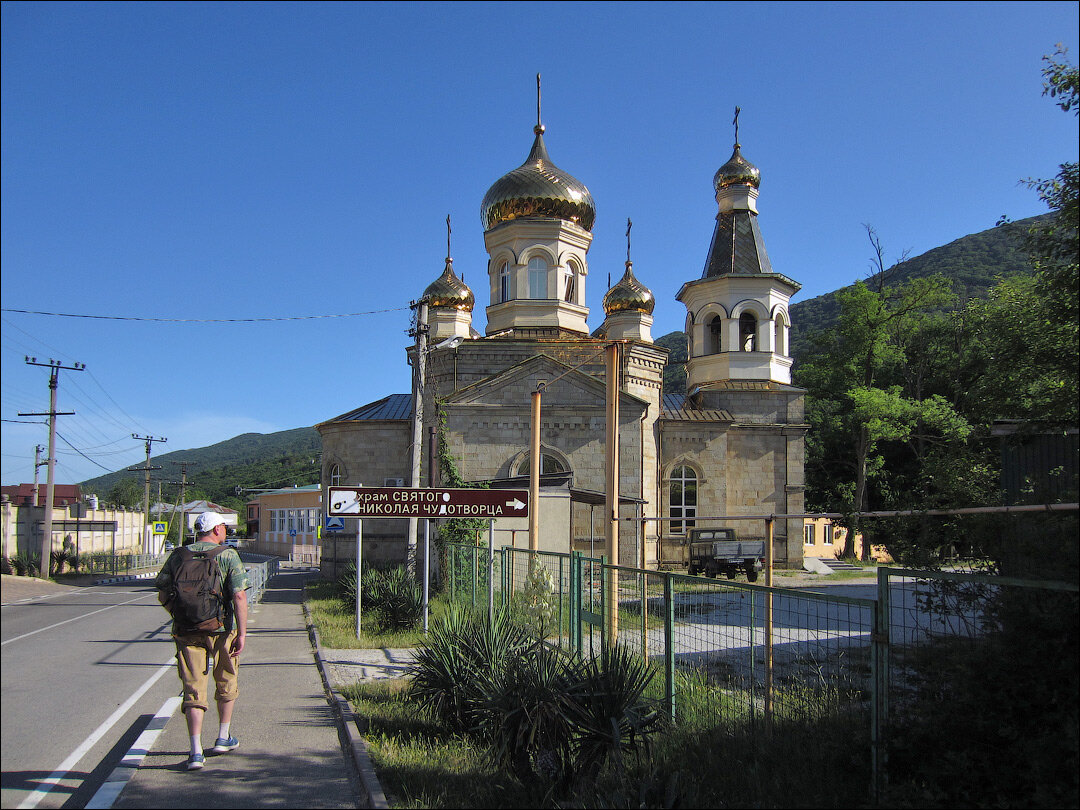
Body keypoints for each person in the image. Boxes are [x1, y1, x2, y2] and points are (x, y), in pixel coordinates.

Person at [155, 511, 251, 771]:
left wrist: (179, 612)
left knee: (193, 686)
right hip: (222, 629)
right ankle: (222, 737)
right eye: (224, 527)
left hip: (187, 629)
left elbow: (162, 591)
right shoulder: (227, 555)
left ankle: (195, 751)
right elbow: (239, 597)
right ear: (217, 530)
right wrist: (241, 633)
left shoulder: (178, 555)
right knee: (226, 679)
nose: (226, 532)